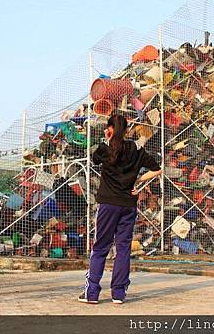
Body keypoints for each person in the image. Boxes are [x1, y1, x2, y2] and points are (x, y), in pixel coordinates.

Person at [79, 114, 161, 304]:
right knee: (123, 249)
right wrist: (137, 182)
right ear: (126, 130)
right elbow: (157, 169)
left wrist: (108, 139)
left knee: (100, 247)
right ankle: (118, 294)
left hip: (108, 205)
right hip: (128, 205)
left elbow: (93, 160)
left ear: (110, 129)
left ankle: (92, 293)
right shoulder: (136, 149)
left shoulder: (104, 148)